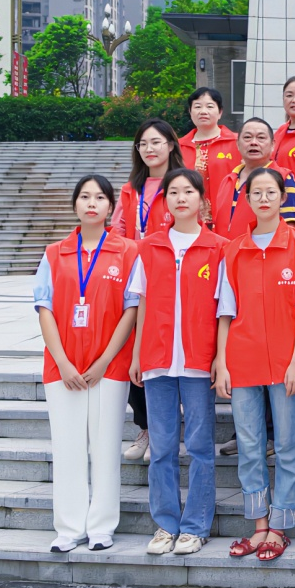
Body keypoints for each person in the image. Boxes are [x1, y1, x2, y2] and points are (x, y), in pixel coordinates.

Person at [215, 167, 295, 562]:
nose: (263, 198)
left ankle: (280, 526)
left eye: (270, 192)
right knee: (250, 445)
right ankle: (259, 524)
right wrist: (222, 362)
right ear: (247, 199)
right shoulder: (233, 249)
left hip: (285, 362)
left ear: (282, 197)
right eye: (256, 192)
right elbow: (226, 312)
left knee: (288, 445)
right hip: (242, 359)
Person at [34, 175, 139, 553]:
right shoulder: (54, 253)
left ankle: (101, 527)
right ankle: (68, 528)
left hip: (108, 367)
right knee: (67, 448)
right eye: (84, 197)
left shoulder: (128, 251)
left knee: (106, 446)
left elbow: (131, 309)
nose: (91, 203)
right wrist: (63, 362)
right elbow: (44, 309)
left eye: (99, 197)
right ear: (75, 204)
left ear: (111, 206)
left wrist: (105, 360)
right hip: (62, 368)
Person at [128, 168, 226, 557]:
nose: (181, 198)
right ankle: (166, 524)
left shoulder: (218, 247)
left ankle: (196, 526)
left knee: (200, 446)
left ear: (202, 199)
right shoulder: (149, 247)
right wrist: (137, 353)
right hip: (158, 361)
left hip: (198, 362)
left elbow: (224, 310)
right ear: (165, 200)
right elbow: (141, 302)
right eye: (173, 192)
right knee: (163, 447)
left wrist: (220, 357)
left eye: (188, 191)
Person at [114, 118, 184, 464]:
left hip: (174, 276)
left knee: (168, 354)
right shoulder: (131, 189)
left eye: (156, 142)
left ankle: (165, 431)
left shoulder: (182, 184)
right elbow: (118, 231)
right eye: (143, 144)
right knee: (133, 354)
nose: (149, 149)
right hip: (136, 278)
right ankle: (146, 428)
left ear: (171, 145)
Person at [212, 118, 295, 242]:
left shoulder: (283, 179)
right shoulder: (227, 180)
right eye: (247, 137)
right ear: (237, 144)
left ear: (273, 144)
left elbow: (289, 231)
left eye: (261, 138)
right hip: (225, 252)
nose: (254, 142)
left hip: (260, 252)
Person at [178, 87, 239, 228]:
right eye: (197, 107)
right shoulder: (179, 147)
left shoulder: (237, 143)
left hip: (229, 218)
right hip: (190, 221)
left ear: (220, 112)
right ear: (190, 111)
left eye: (210, 106)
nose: (203, 111)